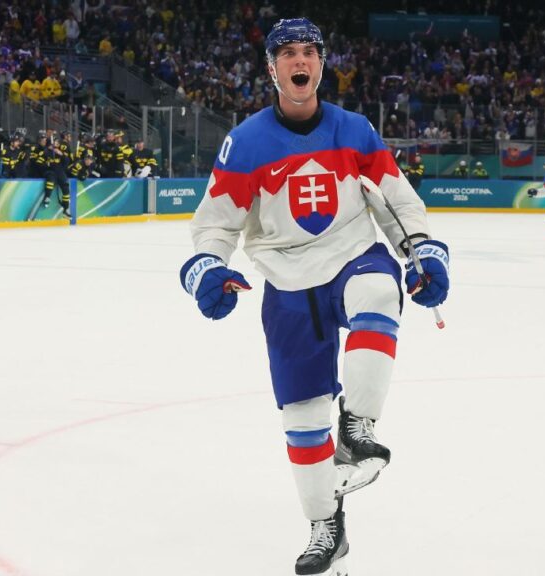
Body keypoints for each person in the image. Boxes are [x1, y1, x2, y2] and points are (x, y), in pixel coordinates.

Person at [178, 18, 449, 576]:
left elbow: (394, 198)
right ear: (272, 68)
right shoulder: (247, 141)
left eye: (310, 52)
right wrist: (207, 268)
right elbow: (215, 223)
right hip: (286, 281)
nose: (300, 62)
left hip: (353, 253)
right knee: (301, 420)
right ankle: (326, 524)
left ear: (321, 66)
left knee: (377, 288)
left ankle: (359, 426)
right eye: (288, 53)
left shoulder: (354, 129)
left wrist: (421, 250)